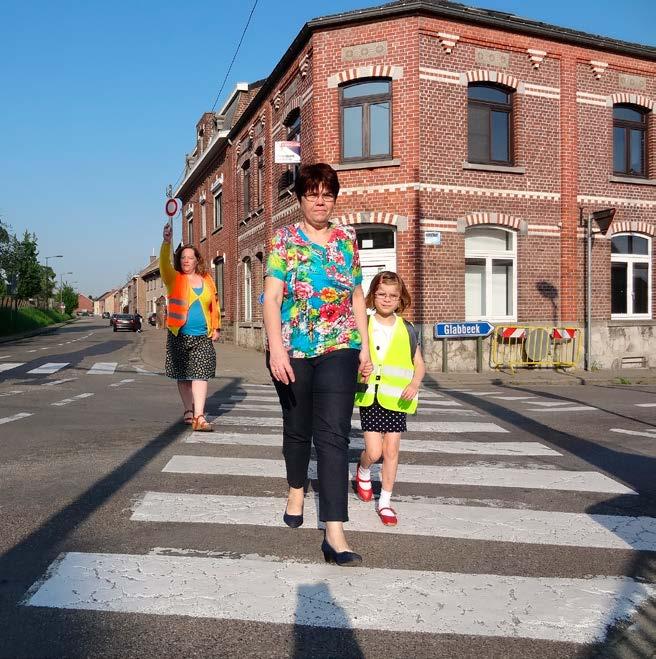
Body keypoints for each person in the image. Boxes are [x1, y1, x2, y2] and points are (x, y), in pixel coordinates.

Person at [263, 163, 373, 567]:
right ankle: (295, 487)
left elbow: (357, 297)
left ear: (334, 197)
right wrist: (276, 350)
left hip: (339, 344)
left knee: (334, 436)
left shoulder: (347, 241)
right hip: (292, 347)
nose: (320, 200)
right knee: (298, 429)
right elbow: (272, 299)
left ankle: (335, 532)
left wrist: (364, 348)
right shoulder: (283, 240)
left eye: (327, 193)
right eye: (313, 193)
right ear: (301, 198)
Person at [354, 271, 425, 526]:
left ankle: (385, 501)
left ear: (400, 298)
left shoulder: (407, 328)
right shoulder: (365, 324)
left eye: (392, 295)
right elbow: (354, 359)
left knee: (392, 450)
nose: (387, 299)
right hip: (370, 396)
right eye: (381, 294)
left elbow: (419, 365)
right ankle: (362, 470)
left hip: (397, 400)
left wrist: (415, 383)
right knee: (374, 452)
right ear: (373, 296)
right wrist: (360, 370)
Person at [160, 223, 221, 431]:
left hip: (202, 335)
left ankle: (199, 416)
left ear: (197, 261)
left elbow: (214, 304)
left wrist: (216, 327)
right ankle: (188, 409)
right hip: (179, 334)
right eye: (183, 257)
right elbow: (163, 265)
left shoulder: (207, 280)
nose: (186, 260)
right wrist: (166, 243)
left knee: (201, 374)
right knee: (184, 376)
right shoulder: (173, 278)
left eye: (190, 257)